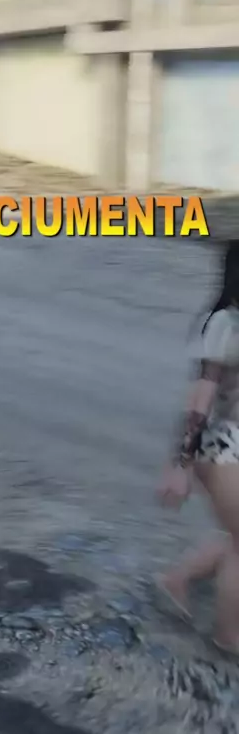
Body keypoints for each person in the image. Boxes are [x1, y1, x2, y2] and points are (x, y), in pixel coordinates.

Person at [157, 240, 239, 654]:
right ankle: (229, 638)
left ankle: (179, 578)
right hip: (224, 447)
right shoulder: (226, 322)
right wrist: (180, 463)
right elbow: (200, 399)